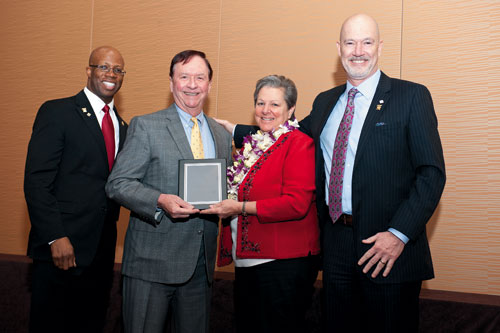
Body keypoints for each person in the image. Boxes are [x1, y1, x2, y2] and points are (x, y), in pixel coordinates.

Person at [224, 14, 446, 332]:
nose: (358, 50)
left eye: (367, 42)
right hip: (335, 244)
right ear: (339, 49)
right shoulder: (326, 102)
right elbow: (288, 135)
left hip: (388, 247)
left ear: (379, 47)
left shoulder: (411, 97)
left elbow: (431, 174)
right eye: (350, 42)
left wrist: (398, 235)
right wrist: (234, 130)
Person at [105, 50, 232, 333]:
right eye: (184, 76)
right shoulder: (147, 126)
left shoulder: (221, 136)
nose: (192, 84)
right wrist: (160, 200)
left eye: (200, 77)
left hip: (200, 266)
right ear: (171, 82)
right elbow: (118, 183)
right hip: (150, 264)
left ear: (209, 84)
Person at [203, 75, 320, 333]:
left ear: (290, 110)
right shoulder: (255, 145)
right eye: (260, 103)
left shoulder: (299, 143)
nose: (266, 110)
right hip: (248, 262)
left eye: (275, 105)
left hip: (283, 265)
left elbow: (296, 204)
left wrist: (240, 208)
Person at [24, 46, 128, 333]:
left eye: (118, 70)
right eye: (104, 67)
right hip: (61, 251)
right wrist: (55, 236)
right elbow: (37, 181)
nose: (111, 74)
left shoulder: (123, 126)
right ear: (88, 70)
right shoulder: (57, 112)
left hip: (101, 255)